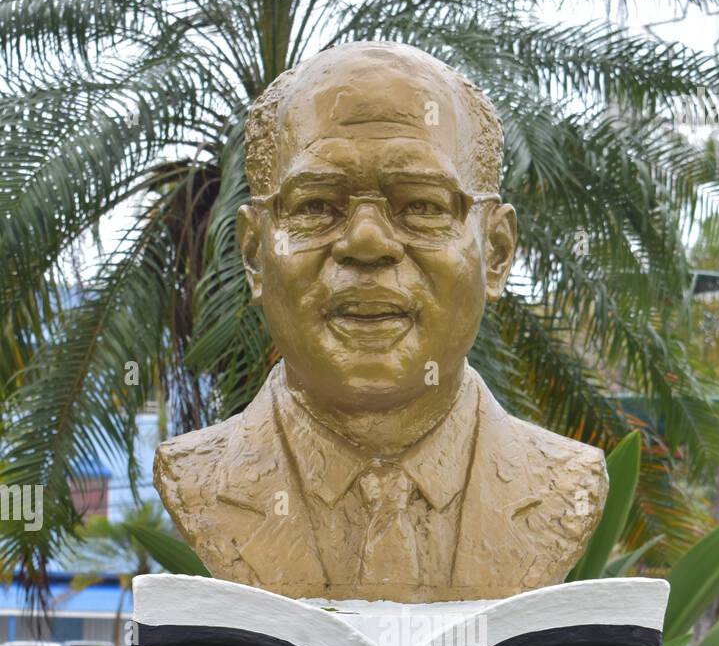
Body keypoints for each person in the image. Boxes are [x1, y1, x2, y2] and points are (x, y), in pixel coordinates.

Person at [155, 41, 607, 603]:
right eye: (316, 206)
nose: (367, 243)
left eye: (421, 204)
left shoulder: (564, 482)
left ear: (496, 252)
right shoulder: (197, 475)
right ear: (254, 255)